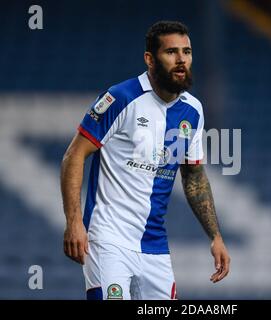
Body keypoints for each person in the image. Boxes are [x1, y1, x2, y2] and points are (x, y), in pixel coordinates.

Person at [60, 20, 230, 300]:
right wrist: (74, 222)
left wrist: (215, 237)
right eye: (171, 52)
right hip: (107, 240)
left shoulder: (193, 110)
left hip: (155, 246)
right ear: (150, 59)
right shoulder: (121, 98)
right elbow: (73, 156)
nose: (181, 60)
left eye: (186, 52)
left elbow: (194, 175)